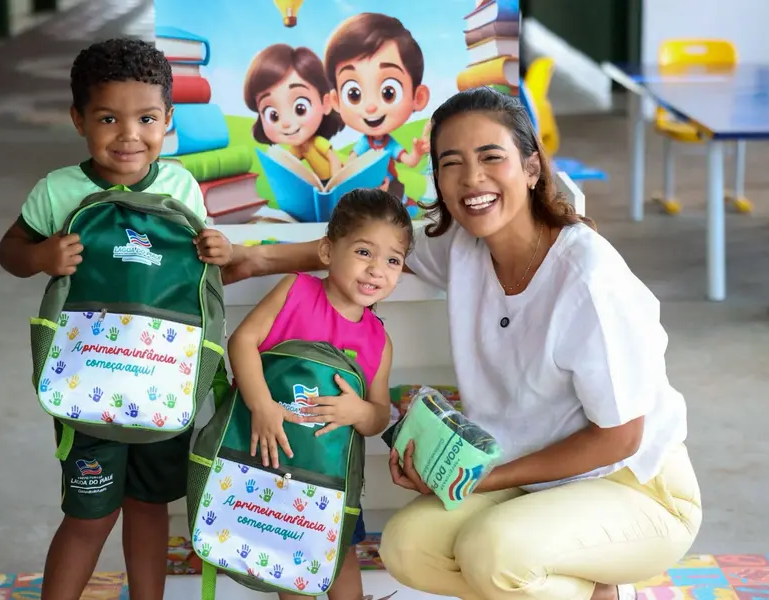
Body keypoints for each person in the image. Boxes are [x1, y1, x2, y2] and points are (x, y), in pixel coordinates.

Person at [220, 87, 702, 600]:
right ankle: (580, 581)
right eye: (451, 163)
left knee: (494, 552)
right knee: (408, 545)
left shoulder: (588, 280)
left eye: (491, 157)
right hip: (532, 480)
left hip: (632, 487)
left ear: (532, 168)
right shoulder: (463, 246)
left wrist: (473, 481)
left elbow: (620, 438)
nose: (471, 179)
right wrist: (258, 260)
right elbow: (361, 251)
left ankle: (600, 587)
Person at [0, 38, 231, 600]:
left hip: (164, 382)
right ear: (79, 119)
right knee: (88, 517)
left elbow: (197, 268)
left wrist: (219, 248)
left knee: (150, 510)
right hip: (87, 385)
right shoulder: (59, 190)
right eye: (108, 118)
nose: (129, 135)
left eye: (147, 118)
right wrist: (40, 257)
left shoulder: (180, 187)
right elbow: (10, 250)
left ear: (168, 120)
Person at [227, 188, 412, 600]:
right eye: (364, 252)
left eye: (393, 260)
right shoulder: (296, 291)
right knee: (291, 569)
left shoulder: (378, 339)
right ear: (328, 251)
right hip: (270, 466)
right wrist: (261, 404)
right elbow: (242, 342)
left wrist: (358, 411)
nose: (376, 270)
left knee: (342, 554)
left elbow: (380, 415)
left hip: (332, 479)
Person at [323, 12, 431, 211]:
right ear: (337, 101)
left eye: (388, 92)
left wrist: (416, 152)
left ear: (418, 97)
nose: (371, 107)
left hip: (391, 193)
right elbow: (349, 169)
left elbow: (409, 162)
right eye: (354, 94)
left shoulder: (390, 144)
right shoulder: (365, 143)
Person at [244, 43, 345, 183]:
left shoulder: (318, 142)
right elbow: (289, 163)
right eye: (273, 115)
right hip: (323, 182)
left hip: (340, 172)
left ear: (326, 103)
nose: (286, 123)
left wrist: (336, 180)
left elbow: (333, 159)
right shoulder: (298, 148)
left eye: (300, 109)